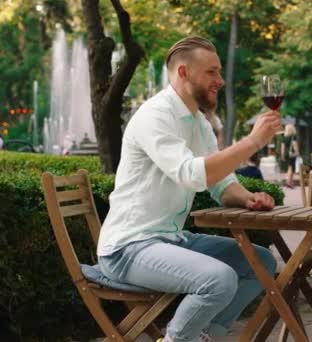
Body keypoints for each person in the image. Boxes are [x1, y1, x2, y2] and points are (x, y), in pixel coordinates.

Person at [96, 36, 283, 342]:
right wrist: (252, 142)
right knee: (218, 279)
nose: (220, 81)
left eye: (220, 71)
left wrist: (248, 198)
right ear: (183, 73)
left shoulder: (198, 122)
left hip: (172, 239)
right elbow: (190, 175)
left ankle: (204, 337)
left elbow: (221, 184)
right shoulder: (154, 116)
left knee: (260, 262)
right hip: (128, 248)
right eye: (212, 72)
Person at [281, 123, 299, 188]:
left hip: (286, 154)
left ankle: (289, 181)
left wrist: (282, 155)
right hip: (292, 154)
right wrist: (297, 152)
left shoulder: (284, 137)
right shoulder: (293, 136)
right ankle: (289, 182)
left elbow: (282, 147)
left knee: (289, 167)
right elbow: (294, 144)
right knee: (291, 168)